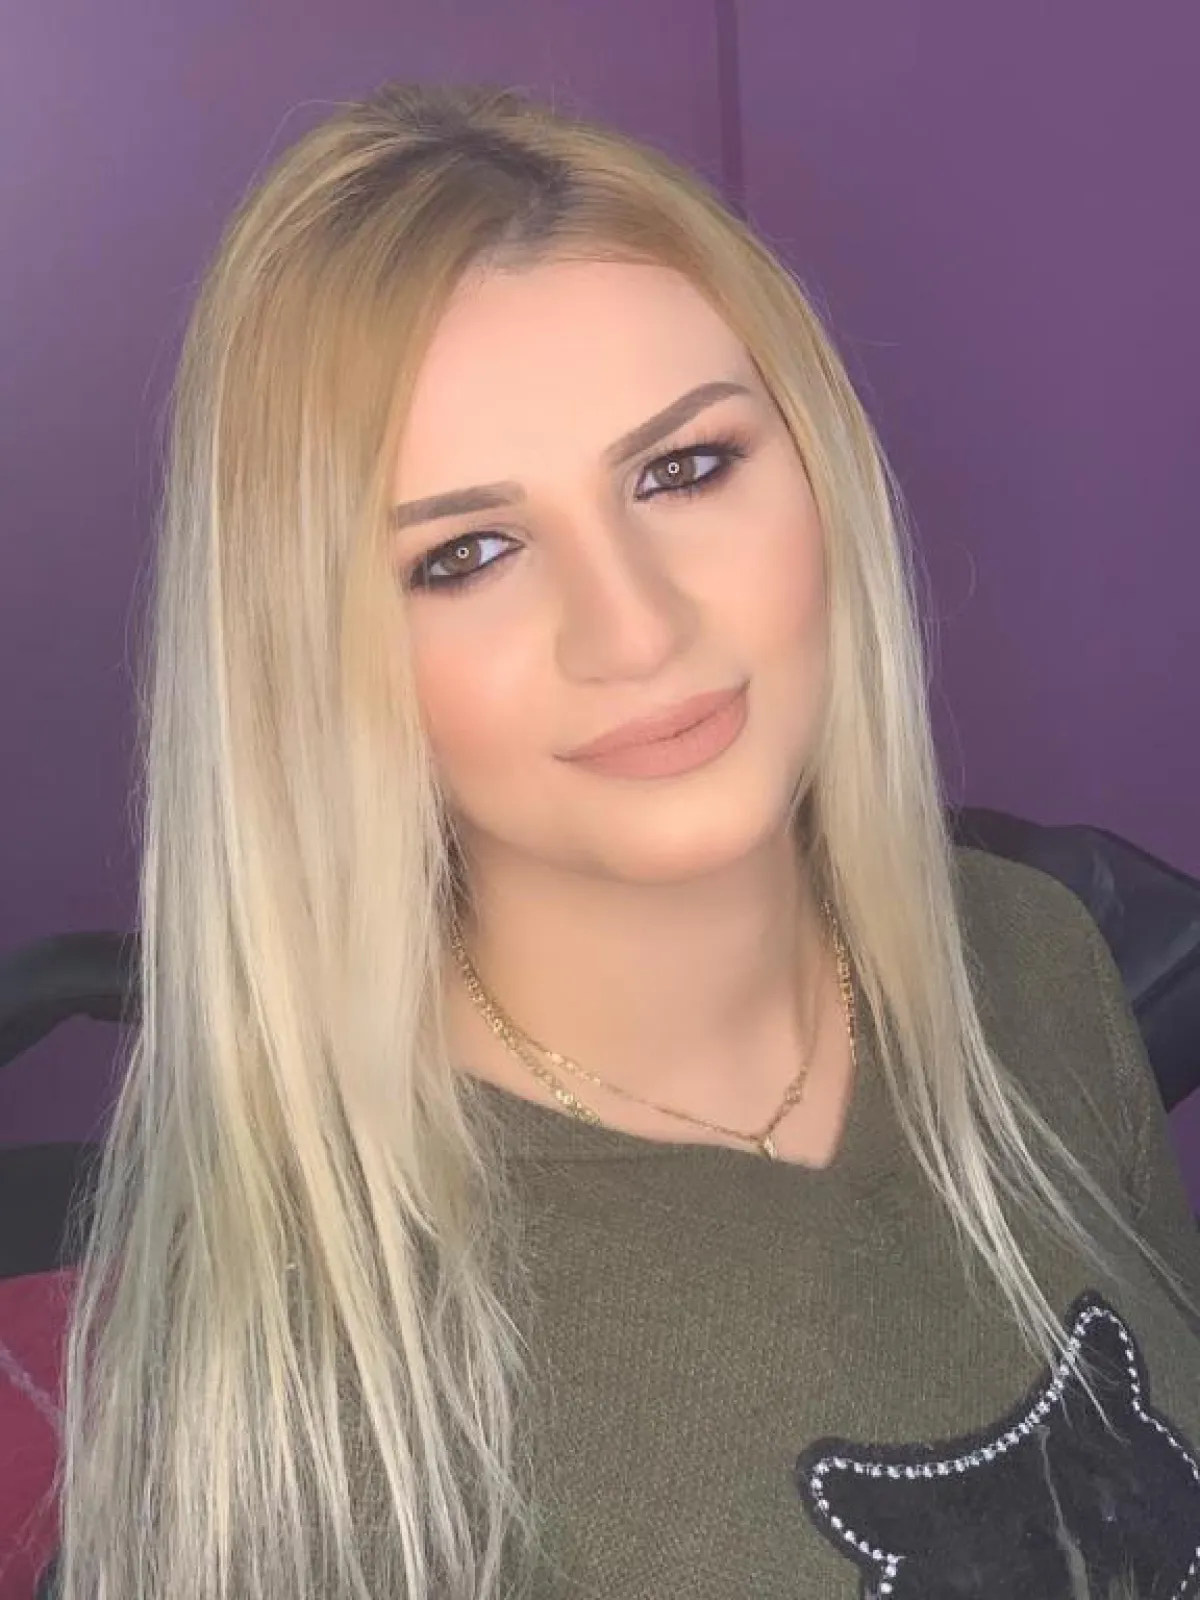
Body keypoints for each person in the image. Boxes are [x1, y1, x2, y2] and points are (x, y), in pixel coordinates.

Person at [52, 82, 1200, 1600]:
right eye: (465, 555)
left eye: (685, 470)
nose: (635, 628)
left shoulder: (1036, 966)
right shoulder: (321, 1347)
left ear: (820, 468)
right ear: (311, 662)